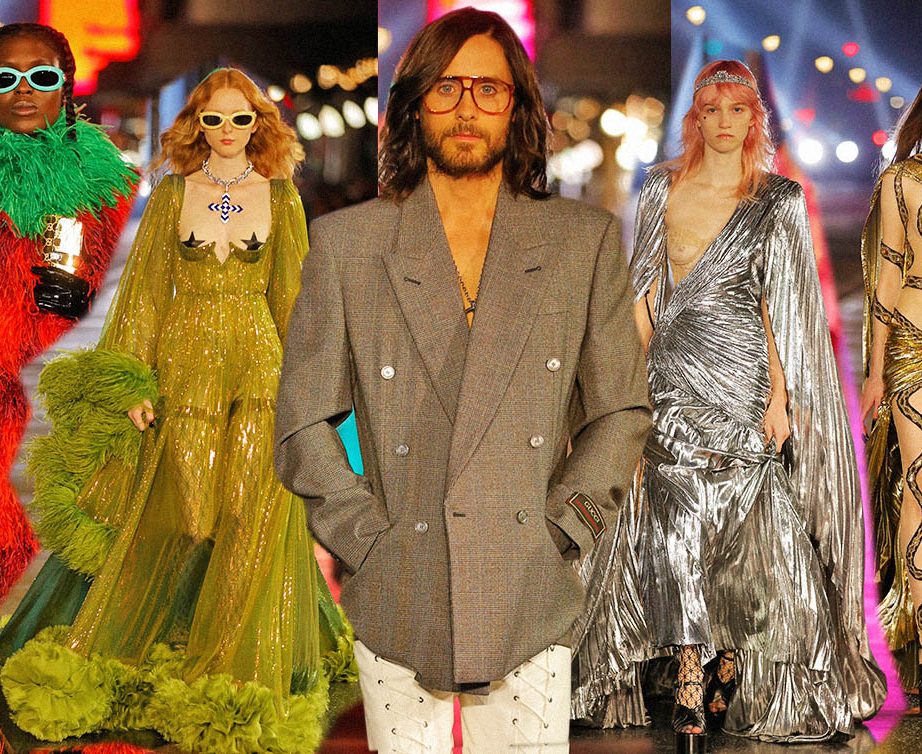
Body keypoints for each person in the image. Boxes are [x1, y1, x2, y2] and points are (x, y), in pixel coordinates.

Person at [273, 7, 650, 752]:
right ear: (414, 107)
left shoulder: (582, 243)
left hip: (528, 588)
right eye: (445, 89)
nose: (467, 108)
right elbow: (302, 420)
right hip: (397, 586)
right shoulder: (350, 244)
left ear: (518, 107)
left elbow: (621, 412)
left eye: (488, 88)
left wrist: (563, 528)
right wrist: (363, 539)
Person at [0, 68, 354, 754]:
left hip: (259, 373)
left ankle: (228, 672)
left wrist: (311, 393)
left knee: (250, 515)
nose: (227, 131)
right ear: (196, 123)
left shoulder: (281, 197)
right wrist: (131, 381)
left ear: (259, 124)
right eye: (214, 118)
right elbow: (142, 293)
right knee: (185, 516)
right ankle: (167, 640)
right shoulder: (171, 194)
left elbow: (294, 298)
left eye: (241, 118)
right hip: (182, 373)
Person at [573, 60, 886, 747]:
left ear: (753, 119)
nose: (723, 121)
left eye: (736, 109)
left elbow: (781, 305)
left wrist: (779, 394)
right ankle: (691, 678)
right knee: (676, 530)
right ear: (696, 117)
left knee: (744, 536)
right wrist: (624, 394)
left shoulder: (778, 199)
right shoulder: (660, 188)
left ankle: (727, 664)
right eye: (711, 109)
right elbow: (644, 296)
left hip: (743, 382)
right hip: (672, 378)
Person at [0, 22, 136, 601]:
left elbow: (65, 296)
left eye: (40, 76)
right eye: (5, 78)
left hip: (47, 398)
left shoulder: (92, 186)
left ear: (65, 87)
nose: (22, 91)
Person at [862, 84, 922, 706]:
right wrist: (875, 371)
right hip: (913, 345)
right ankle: (918, 636)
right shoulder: (901, 181)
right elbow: (888, 274)